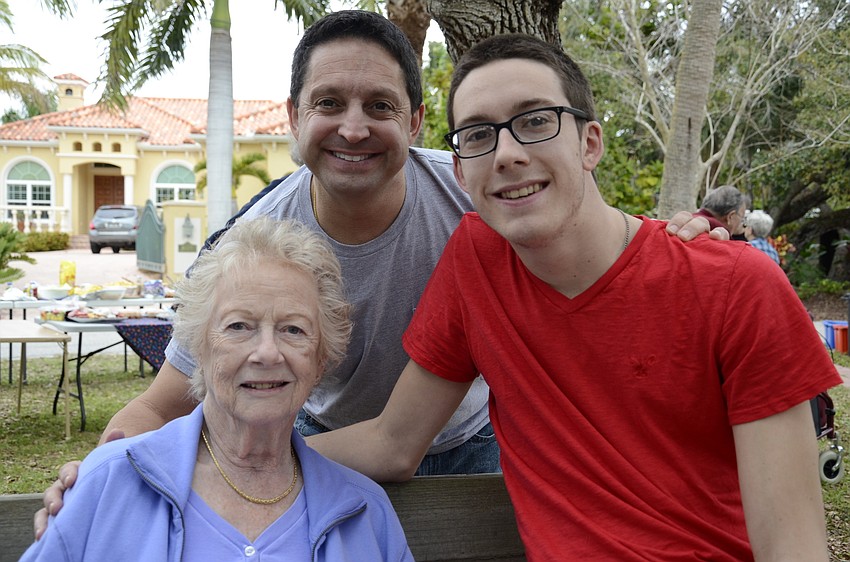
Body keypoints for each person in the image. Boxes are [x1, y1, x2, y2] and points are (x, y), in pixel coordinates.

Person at [35, 11, 720, 537]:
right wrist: (98, 474)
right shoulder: (250, 246)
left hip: (472, 440)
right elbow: (163, 402)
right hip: (320, 445)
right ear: (295, 118)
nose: (354, 128)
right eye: (330, 104)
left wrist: (681, 238)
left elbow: (588, 222)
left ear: (418, 120)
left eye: (381, 107)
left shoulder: (482, 188)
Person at [304, 34, 842, 560]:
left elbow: (792, 549)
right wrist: (230, 451)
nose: (508, 154)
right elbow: (393, 443)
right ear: (462, 170)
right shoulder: (475, 263)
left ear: (589, 143)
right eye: (477, 134)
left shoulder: (736, 285)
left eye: (535, 121)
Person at [21, 216, 413, 561]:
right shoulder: (106, 485)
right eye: (238, 326)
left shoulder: (364, 511)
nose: (266, 352)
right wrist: (94, 478)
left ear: (320, 359)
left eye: (293, 330)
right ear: (199, 348)